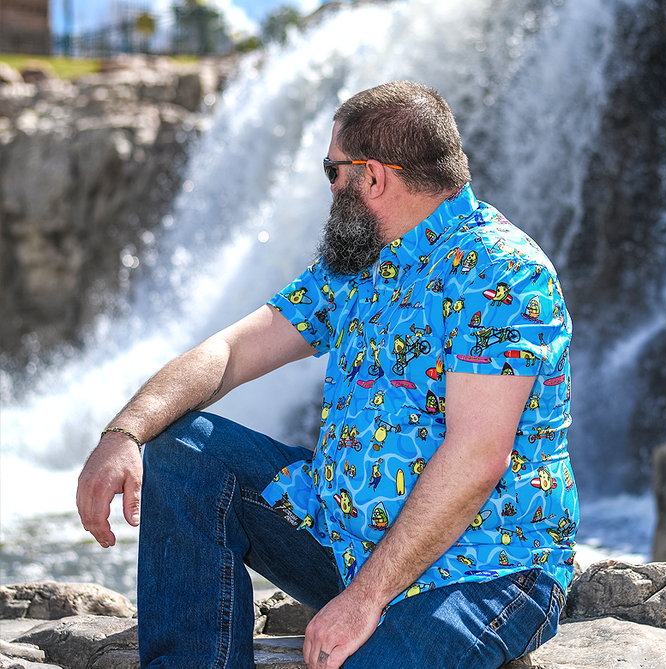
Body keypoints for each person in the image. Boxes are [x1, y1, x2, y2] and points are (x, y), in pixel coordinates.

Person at [77, 81, 578, 669]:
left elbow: (477, 455)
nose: (331, 188)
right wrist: (126, 432)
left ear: (373, 177)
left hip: (481, 569)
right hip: (344, 540)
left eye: (332, 171)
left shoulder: (505, 275)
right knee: (183, 450)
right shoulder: (355, 266)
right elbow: (231, 353)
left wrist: (364, 600)